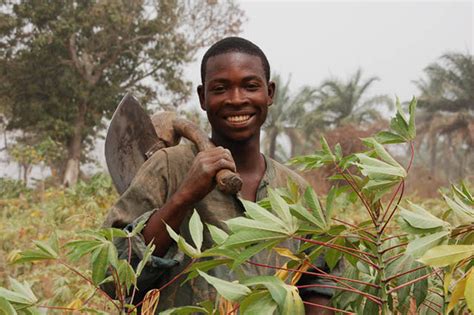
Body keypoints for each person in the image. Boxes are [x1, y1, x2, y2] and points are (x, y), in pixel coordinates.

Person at [103, 37, 335, 314]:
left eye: (250, 86)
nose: (236, 100)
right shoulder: (169, 166)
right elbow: (113, 275)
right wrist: (185, 195)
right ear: (203, 97)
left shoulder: (295, 190)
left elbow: (319, 282)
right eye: (221, 88)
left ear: (269, 93)